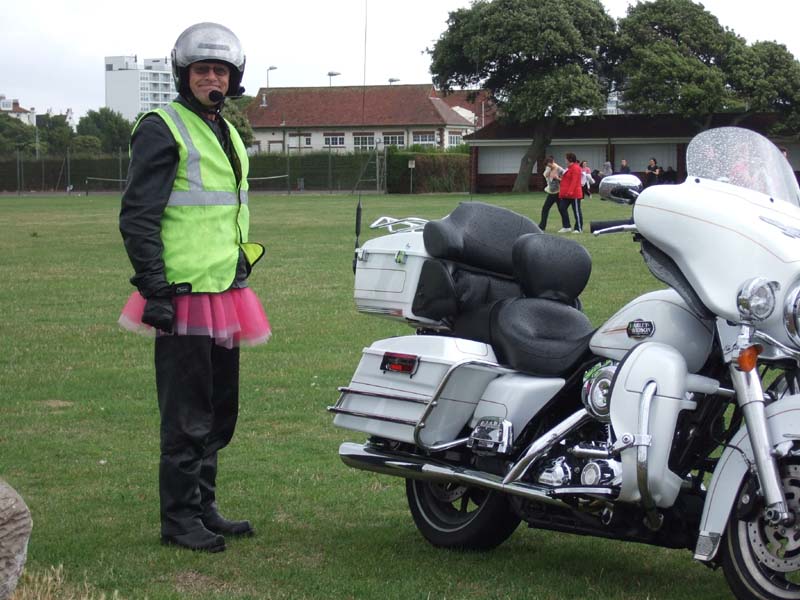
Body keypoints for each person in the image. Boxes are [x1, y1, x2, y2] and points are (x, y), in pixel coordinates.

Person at [118, 22, 271, 553]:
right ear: (184, 75)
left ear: (234, 79)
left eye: (221, 71)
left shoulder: (224, 130)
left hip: (225, 290)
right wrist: (154, 287)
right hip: (180, 293)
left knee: (220, 409)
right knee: (187, 414)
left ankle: (203, 505)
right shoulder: (163, 126)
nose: (213, 78)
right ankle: (178, 519)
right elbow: (138, 215)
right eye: (203, 70)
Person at [538, 156, 571, 232]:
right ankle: (542, 226)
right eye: (547, 165)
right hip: (551, 192)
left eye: (549, 165)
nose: (549, 166)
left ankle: (567, 226)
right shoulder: (549, 168)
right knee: (545, 208)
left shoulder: (559, 169)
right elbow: (545, 175)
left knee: (562, 209)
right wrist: (549, 170)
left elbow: (566, 180)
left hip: (558, 192)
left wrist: (558, 178)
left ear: (553, 162)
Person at [559, 153, 584, 233]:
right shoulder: (569, 168)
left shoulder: (576, 168)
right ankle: (566, 226)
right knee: (562, 207)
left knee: (576, 210)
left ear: (570, 159)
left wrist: (570, 191)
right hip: (567, 194)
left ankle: (578, 228)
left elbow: (574, 181)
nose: (565, 160)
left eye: (566, 158)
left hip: (574, 194)